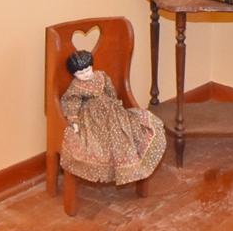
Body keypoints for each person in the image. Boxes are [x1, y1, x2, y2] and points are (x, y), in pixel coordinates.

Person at [59, 49, 166, 187]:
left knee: (125, 129)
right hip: (92, 116)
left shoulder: (101, 76)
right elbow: (72, 102)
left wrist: (114, 102)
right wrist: (73, 120)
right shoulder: (76, 87)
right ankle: (114, 164)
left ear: (92, 66)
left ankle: (131, 163)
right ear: (74, 74)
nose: (85, 74)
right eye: (80, 73)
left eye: (87, 69)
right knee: (100, 140)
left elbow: (110, 90)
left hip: (111, 110)